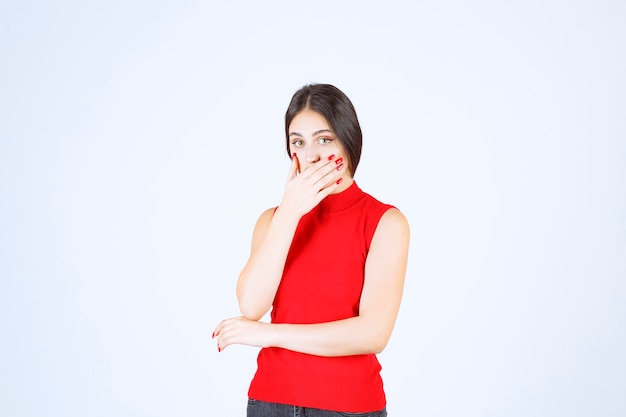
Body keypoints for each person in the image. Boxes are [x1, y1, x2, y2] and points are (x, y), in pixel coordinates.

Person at [212, 83, 410, 417]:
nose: (311, 156)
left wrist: (268, 335)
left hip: (348, 407)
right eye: (298, 143)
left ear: (348, 140)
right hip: (268, 402)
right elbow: (250, 305)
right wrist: (290, 212)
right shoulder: (273, 220)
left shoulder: (385, 222)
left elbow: (373, 333)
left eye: (324, 139)